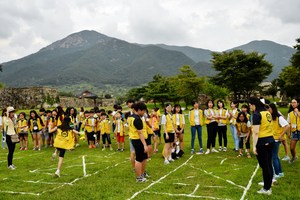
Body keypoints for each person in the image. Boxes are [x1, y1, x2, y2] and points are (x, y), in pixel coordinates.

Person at [249, 96, 274, 195]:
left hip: (262, 142)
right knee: (268, 164)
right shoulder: (267, 112)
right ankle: (268, 183)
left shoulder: (256, 114)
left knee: (265, 165)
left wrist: (254, 146)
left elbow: (255, 132)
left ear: (253, 104)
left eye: (250, 105)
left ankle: (266, 188)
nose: (250, 107)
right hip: (270, 140)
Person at [128, 102, 149, 182]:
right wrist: (145, 145)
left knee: (144, 158)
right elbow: (140, 133)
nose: (144, 113)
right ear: (139, 110)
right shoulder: (137, 119)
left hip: (134, 139)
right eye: (143, 111)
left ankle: (142, 174)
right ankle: (139, 177)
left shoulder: (130, 117)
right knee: (139, 159)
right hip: (138, 140)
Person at [268, 103, 289, 179]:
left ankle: (276, 173)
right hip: (273, 138)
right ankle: (280, 172)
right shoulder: (270, 117)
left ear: (273, 109)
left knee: (274, 157)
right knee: (276, 156)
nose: (268, 110)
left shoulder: (279, 117)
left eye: (269, 108)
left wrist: (281, 135)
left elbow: (287, 125)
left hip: (276, 139)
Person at [286, 98, 300, 164]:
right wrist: (289, 133)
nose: (293, 104)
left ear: (298, 103)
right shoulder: (290, 113)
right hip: (294, 132)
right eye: (292, 102)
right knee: (291, 148)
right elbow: (288, 124)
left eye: (294, 102)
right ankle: (294, 157)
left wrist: (297, 112)